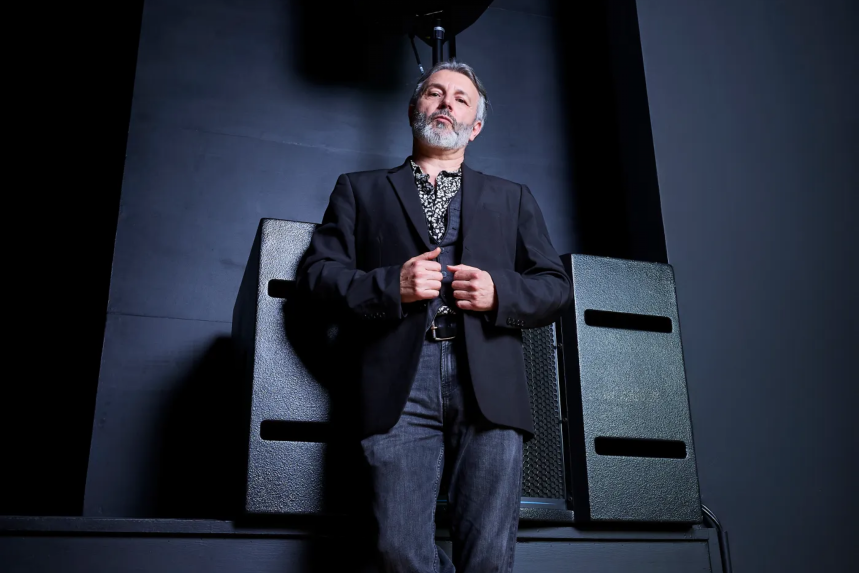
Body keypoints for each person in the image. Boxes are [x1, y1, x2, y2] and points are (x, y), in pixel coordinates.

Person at [298, 61, 572, 573]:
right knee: (396, 551)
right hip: (398, 383)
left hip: (489, 383)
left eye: (461, 99)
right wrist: (390, 286)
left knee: (489, 559)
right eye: (434, 93)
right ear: (414, 109)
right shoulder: (359, 189)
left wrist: (499, 291)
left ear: (476, 125)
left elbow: (554, 288)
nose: (447, 103)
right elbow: (317, 276)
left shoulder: (512, 197)